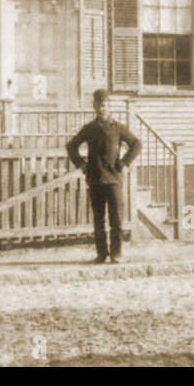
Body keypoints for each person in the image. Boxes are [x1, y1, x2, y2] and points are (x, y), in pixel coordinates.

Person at [66, 89, 141, 264]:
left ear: (109, 107)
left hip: (114, 180)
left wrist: (124, 162)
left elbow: (136, 144)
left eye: (105, 105)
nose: (102, 109)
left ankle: (116, 254)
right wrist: (81, 164)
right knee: (98, 221)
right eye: (99, 105)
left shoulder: (117, 128)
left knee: (116, 220)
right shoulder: (89, 128)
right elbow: (71, 146)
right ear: (94, 106)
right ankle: (101, 254)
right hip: (95, 180)